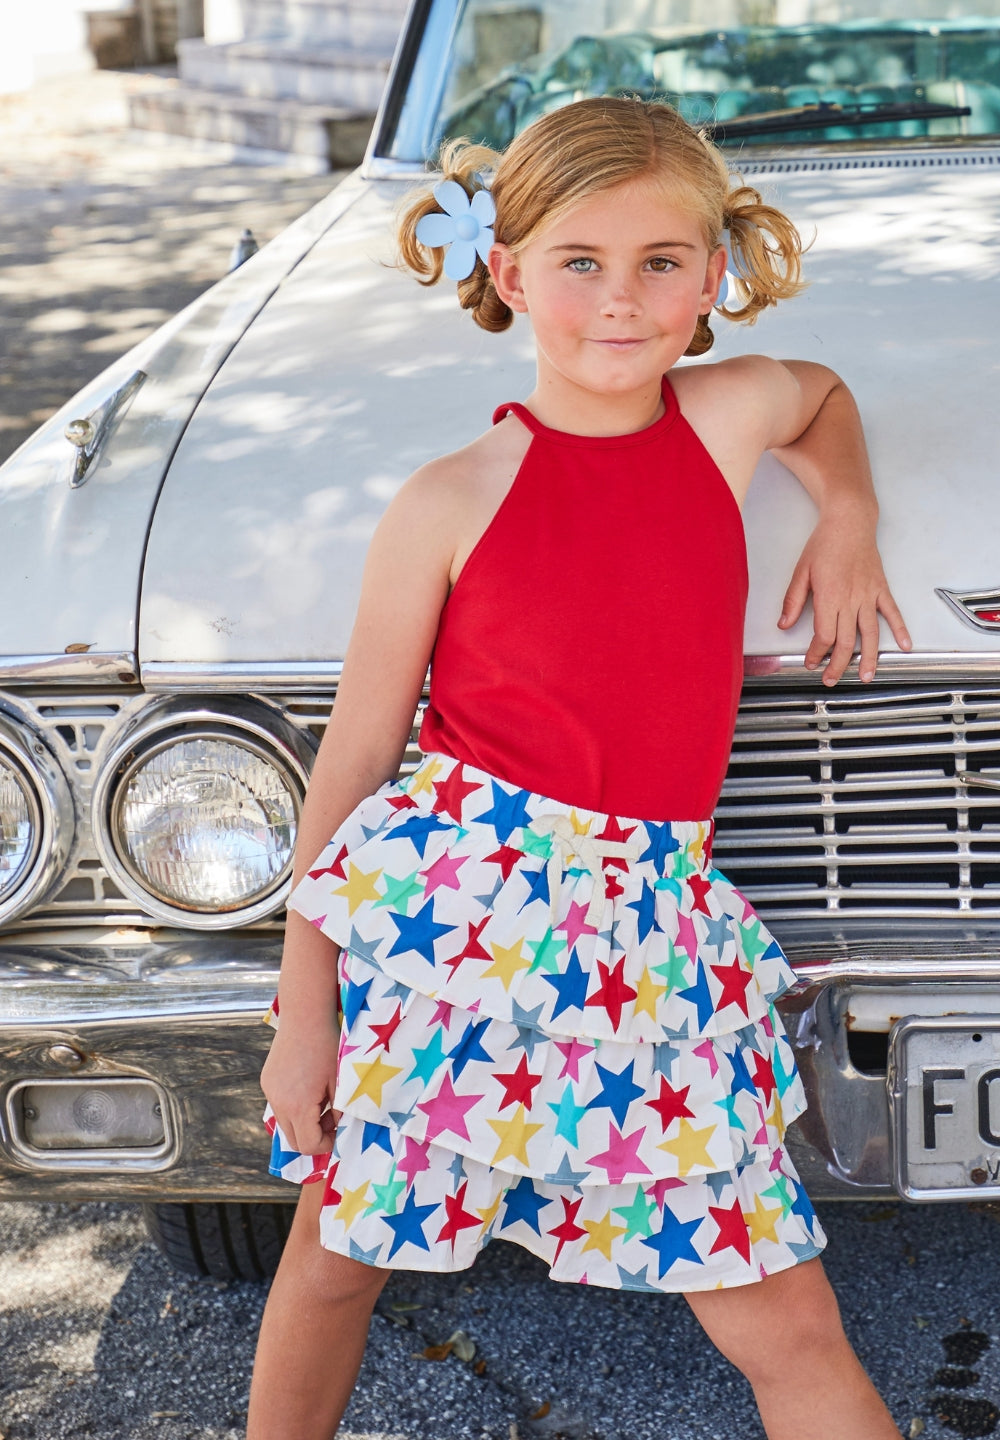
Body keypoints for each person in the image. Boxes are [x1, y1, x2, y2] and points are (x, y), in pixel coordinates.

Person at [247, 97, 911, 1440]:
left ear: (713, 275)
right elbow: (360, 759)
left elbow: (822, 397)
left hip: (650, 940)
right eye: (580, 264)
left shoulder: (721, 424)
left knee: (782, 1315)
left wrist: (848, 512)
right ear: (509, 272)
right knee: (335, 1262)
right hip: (458, 930)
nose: (623, 301)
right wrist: (300, 1005)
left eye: (662, 262)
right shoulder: (454, 495)